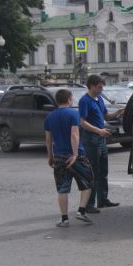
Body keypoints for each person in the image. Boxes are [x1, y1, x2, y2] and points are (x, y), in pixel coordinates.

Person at [44, 89, 94, 227]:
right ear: (69, 100)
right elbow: (74, 135)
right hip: (76, 156)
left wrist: (50, 156)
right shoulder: (74, 113)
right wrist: (75, 154)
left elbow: (48, 140)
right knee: (87, 183)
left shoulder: (49, 117)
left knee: (62, 188)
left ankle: (64, 219)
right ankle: (81, 211)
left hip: (59, 156)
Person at [79, 74, 124, 213]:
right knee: (93, 172)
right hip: (91, 139)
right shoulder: (84, 101)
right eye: (99, 86)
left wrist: (117, 112)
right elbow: (82, 122)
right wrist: (99, 131)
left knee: (103, 171)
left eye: (102, 86)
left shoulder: (98, 99)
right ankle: (89, 204)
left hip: (101, 138)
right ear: (92, 86)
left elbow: (105, 116)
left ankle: (103, 200)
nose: (101, 89)